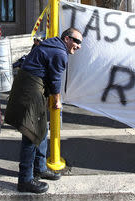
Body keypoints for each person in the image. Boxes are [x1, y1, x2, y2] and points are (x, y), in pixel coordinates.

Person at [5, 27, 83, 194]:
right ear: (67, 39)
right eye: (76, 41)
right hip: (30, 89)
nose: (79, 45)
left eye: (80, 43)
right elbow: (55, 81)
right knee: (31, 132)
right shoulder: (60, 53)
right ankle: (25, 180)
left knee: (41, 129)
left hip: (30, 86)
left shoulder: (52, 45)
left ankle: (39, 168)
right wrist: (56, 101)